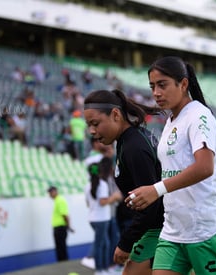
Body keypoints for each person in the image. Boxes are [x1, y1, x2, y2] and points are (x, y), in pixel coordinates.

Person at [126, 56, 216, 275]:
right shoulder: (171, 121)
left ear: (183, 84)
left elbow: (205, 167)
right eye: (152, 86)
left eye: (162, 85)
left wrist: (156, 190)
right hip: (173, 230)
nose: (156, 92)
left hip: (205, 230)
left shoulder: (199, 116)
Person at [83, 89, 165, 275]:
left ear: (115, 115)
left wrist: (126, 242)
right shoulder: (129, 140)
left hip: (160, 228)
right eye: (89, 125)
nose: (92, 131)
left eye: (95, 123)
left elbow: (150, 201)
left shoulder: (134, 147)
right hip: (157, 225)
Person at [84, 157, 122, 275]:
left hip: (93, 218)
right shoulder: (102, 184)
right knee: (101, 245)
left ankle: (104, 268)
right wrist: (115, 197)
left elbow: (87, 203)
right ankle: (100, 270)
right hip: (102, 219)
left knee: (104, 243)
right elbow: (103, 202)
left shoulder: (88, 185)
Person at [47, 186, 74, 262]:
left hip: (60, 227)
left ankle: (63, 265)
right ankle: (62, 264)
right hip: (58, 227)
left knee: (61, 248)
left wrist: (68, 226)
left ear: (55, 191)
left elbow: (65, 215)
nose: (49, 195)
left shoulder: (60, 200)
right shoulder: (57, 201)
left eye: (50, 192)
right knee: (60, 248)